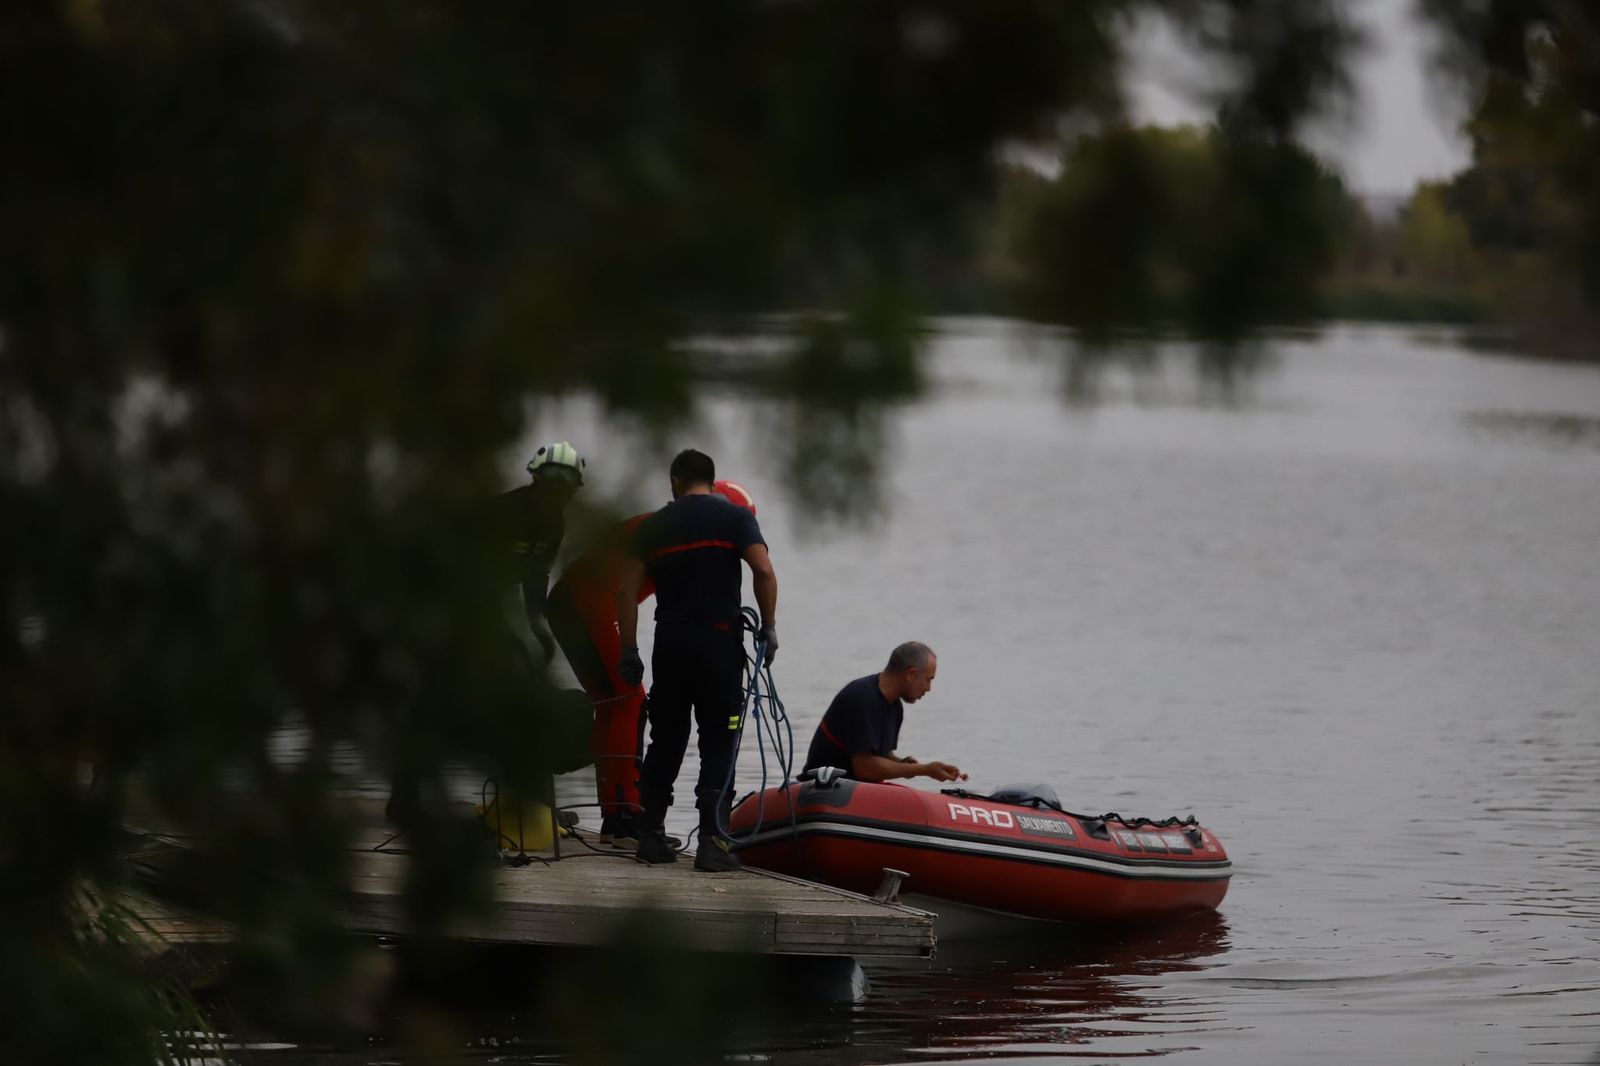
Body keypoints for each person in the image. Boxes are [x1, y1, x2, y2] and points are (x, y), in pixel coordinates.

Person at [546, 479, 759, 851]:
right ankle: (625, 817)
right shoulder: (672, 531)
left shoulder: (673, 526)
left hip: (581, 603)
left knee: (615, 703)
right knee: (627, 701)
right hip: (586, 604)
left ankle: (617, 817)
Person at [617, 450, 778, 871]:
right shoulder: (735, 518)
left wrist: (629, 649)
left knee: (666, 739)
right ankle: (712, 844)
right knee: (719, 740)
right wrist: (769, 627)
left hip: (670, 645)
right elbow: (763, 571)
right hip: (719, 647)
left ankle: (650, 837)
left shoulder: (652, 526)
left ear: (675, 480)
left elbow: (625, 591)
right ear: (711, 479)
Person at [803, 641, 965, 783]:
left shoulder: (895, 707)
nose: (928, 688)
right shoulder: (861, 697)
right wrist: (923, 770)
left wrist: (902, 764)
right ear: (911, 674)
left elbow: (879, 754)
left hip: (856, 789)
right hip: (823, 788)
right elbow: (864, 767)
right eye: (928, 679)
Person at [490, 441, 586, 666]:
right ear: (535, 479)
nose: (555, 497)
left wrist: (537, 623)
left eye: (563, 492)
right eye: (550, 486)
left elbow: (537, 574)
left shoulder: (556, 526)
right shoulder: (503, 511)